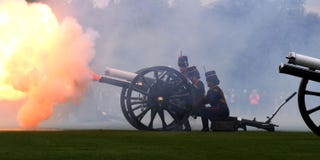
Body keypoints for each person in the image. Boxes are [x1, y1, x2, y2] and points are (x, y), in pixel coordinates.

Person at [185, 66, 207, 131]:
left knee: (204, 112)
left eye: (191, 77)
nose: (191, 78)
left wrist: (192, 86)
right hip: (192, 106)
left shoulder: (200, 83)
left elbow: (200, 91)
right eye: (190, 77)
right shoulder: (191, 85)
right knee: (182, 111)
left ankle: (206, 128)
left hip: (200, 105)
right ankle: (187, 127)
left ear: (195, 76)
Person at [177, 54, 192, 131]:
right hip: (181, 98)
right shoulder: (178, 76)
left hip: (188, 99)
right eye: (180, 67)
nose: (181, 69)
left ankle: (186, 127)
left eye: (183, 67)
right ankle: (180, 126)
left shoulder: (190, 76)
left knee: (180, 108)